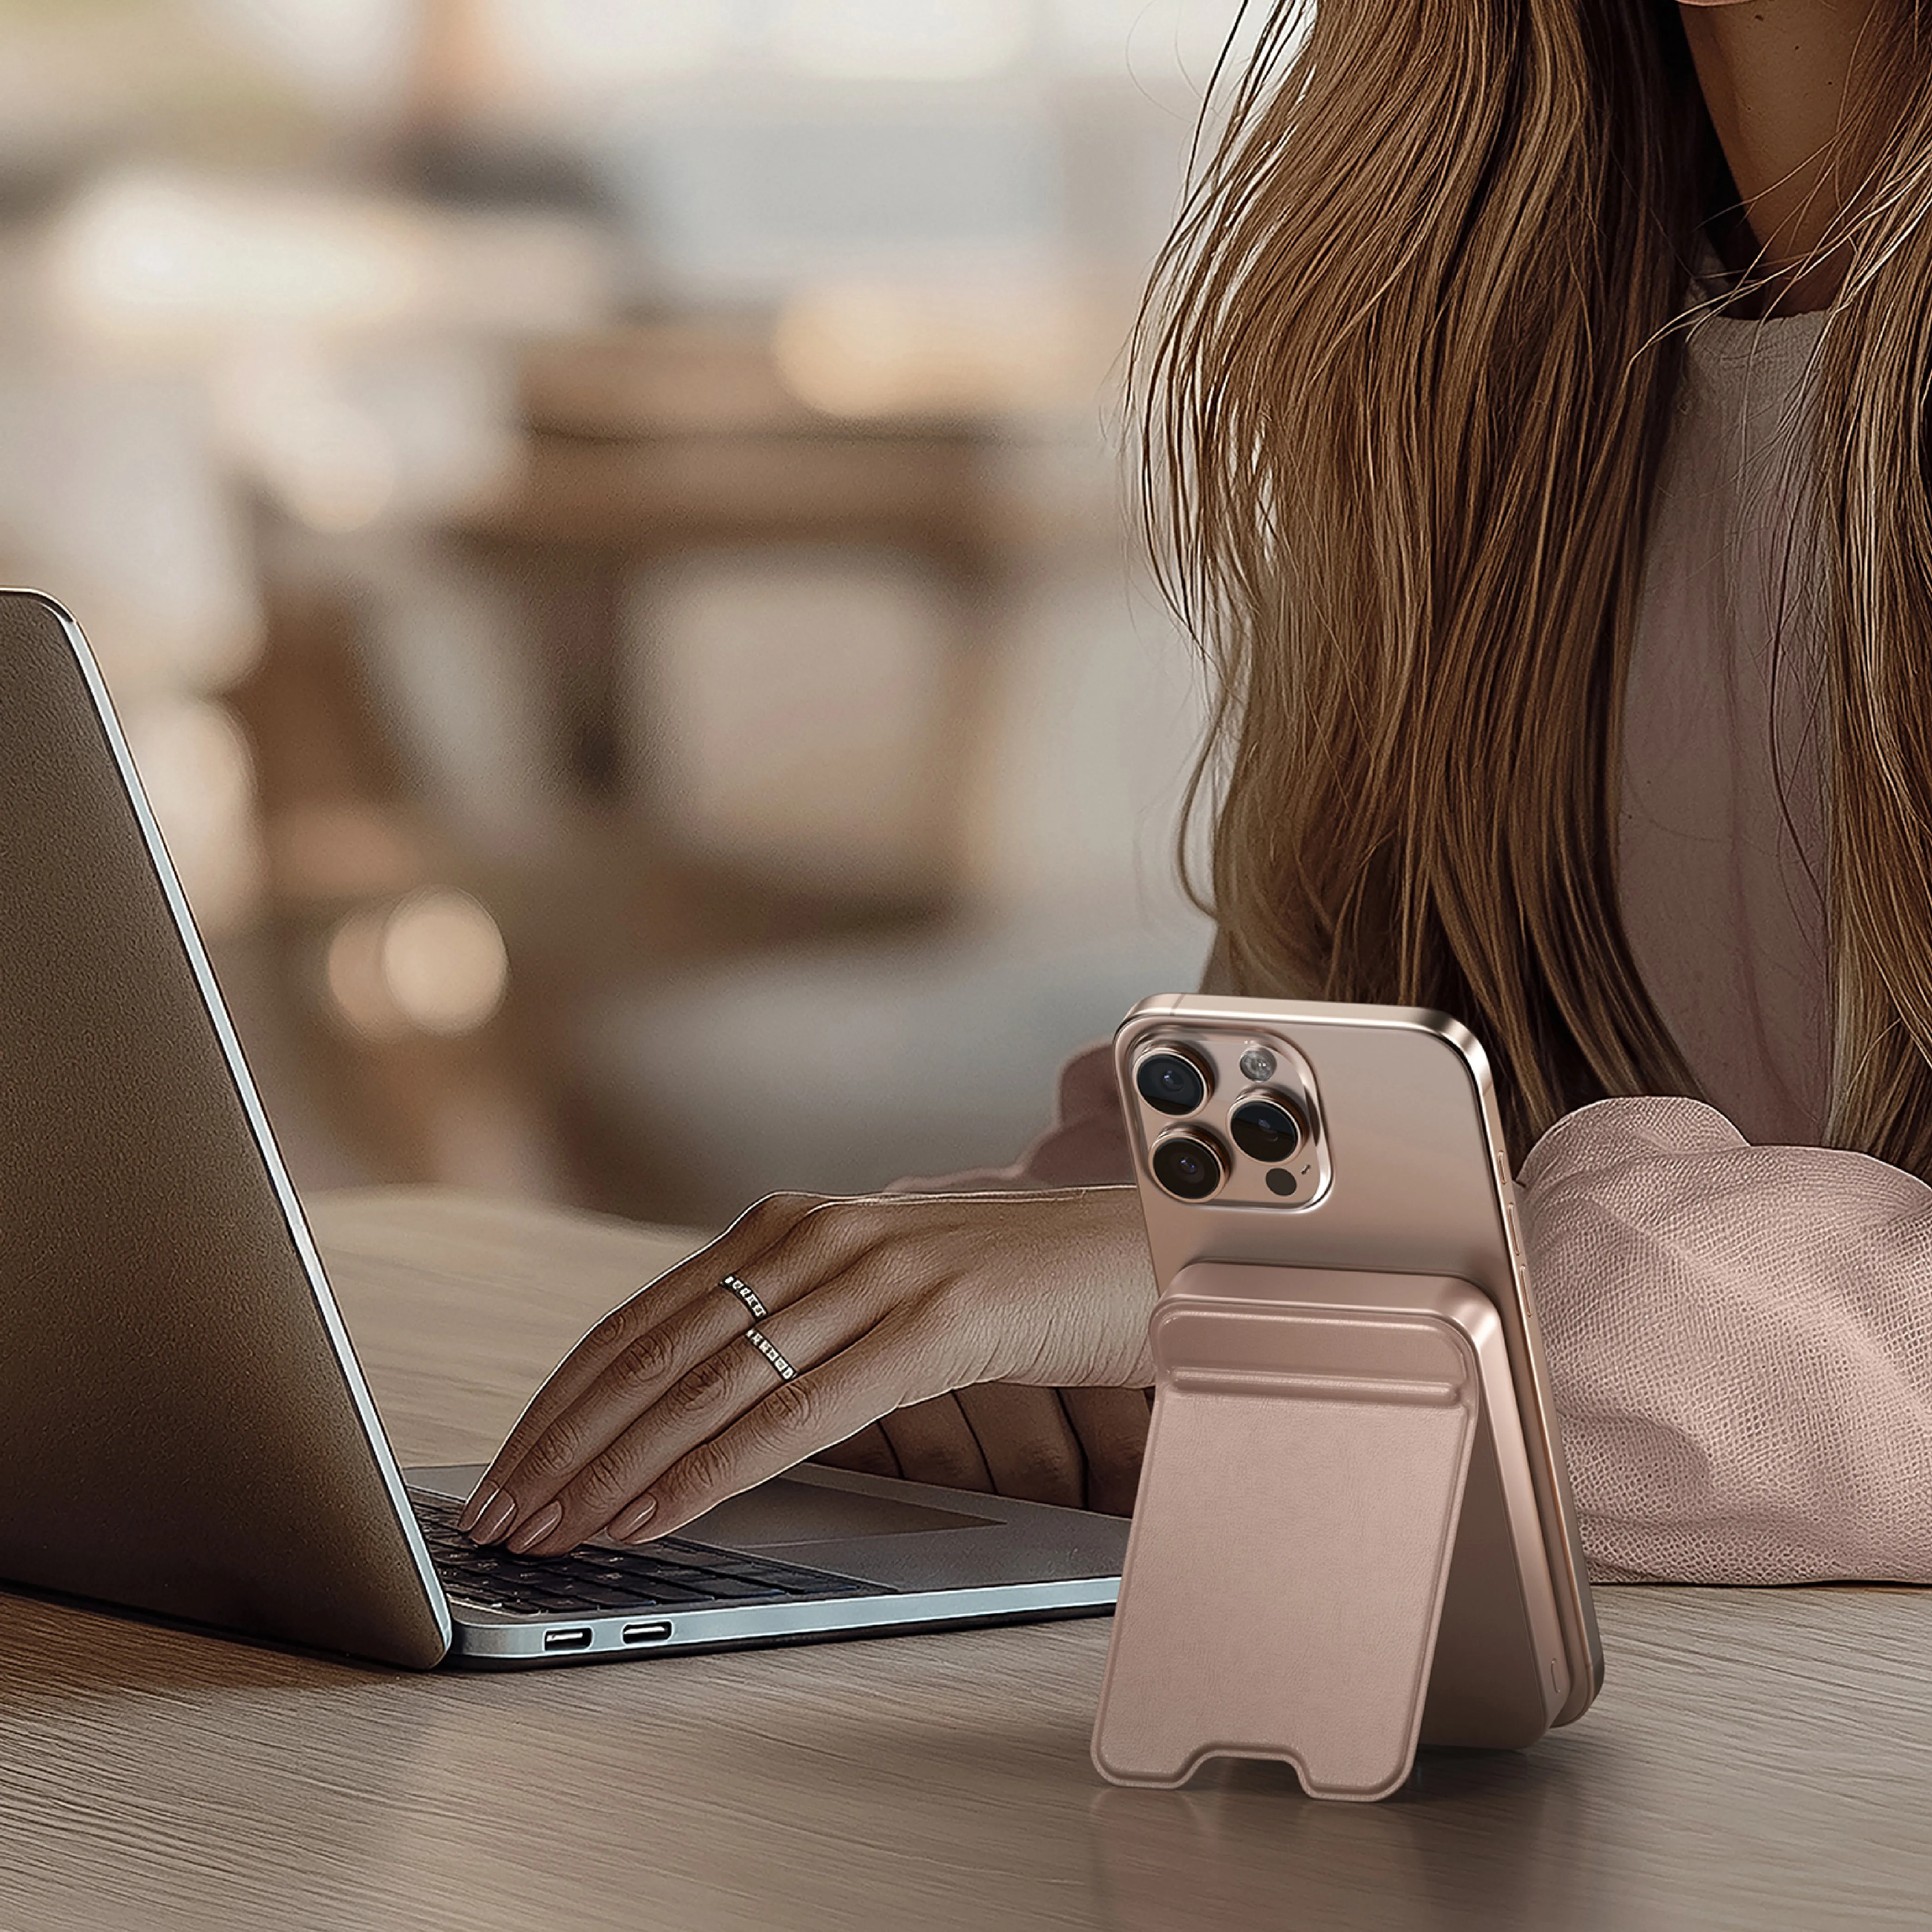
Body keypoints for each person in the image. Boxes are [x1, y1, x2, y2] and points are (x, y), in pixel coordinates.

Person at [462, 0, 1932, 1586]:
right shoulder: (1452, 308)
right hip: (1561, 1679)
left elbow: (1342, 1245)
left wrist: (1294, 1275)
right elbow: (1359, 1090)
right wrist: (1027, 1304)